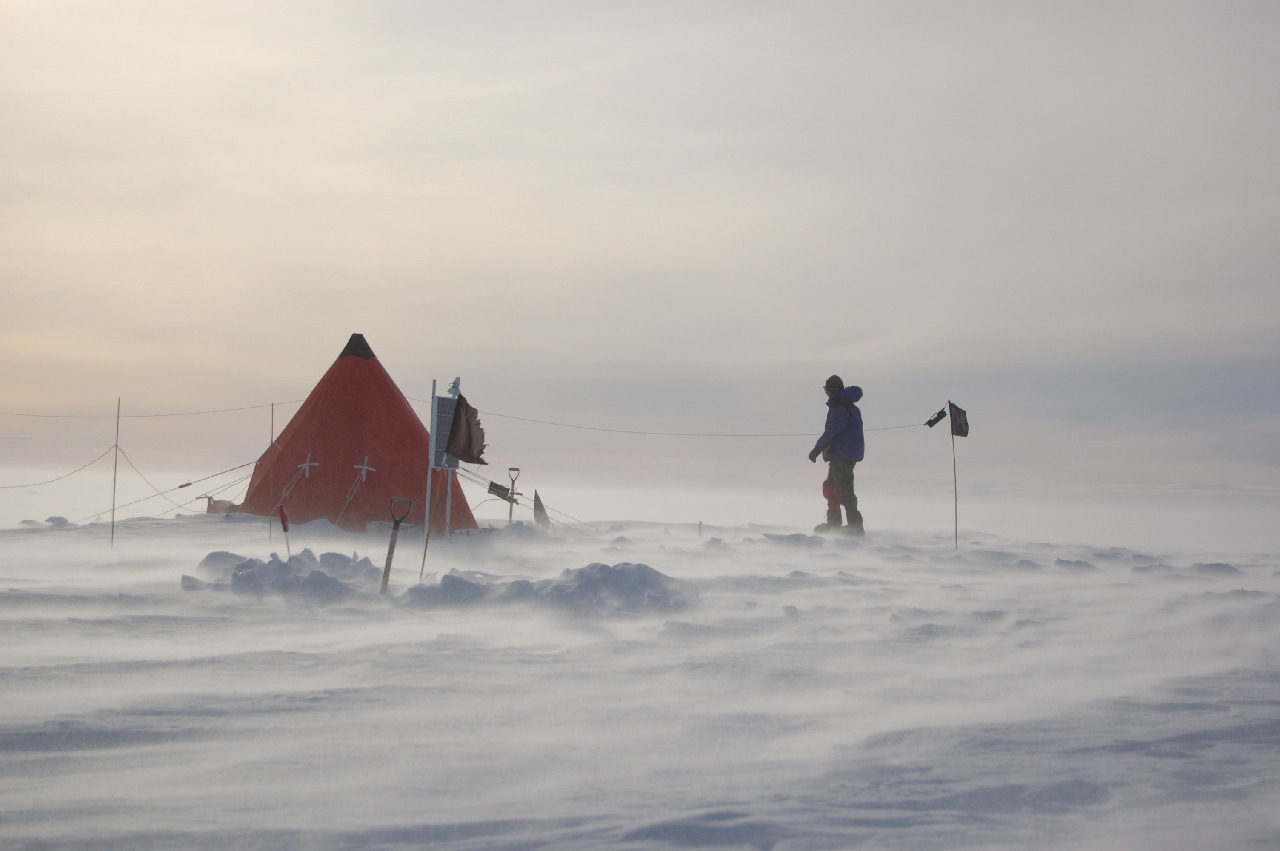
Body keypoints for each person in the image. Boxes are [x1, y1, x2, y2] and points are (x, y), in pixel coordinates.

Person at [808, 374, 865, 535]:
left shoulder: (840, 407)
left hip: (843, 455)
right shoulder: (845, 405)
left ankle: (855, 527)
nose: (826, 394)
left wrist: (817, 449)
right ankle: (834, 525)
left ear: (832, 391)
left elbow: (833, 430)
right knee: (831, 489)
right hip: (838, 454)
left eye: (827, 390)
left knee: (844, 490)